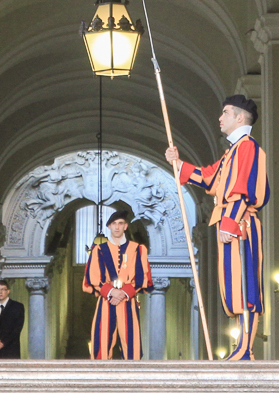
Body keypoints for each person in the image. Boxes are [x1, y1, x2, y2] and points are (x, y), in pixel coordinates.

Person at [164, 94, 269, 361]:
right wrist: (178, 163)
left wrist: (230, 223)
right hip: (232, 225)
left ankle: (246, 349)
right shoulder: (231, 152)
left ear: (240, 117)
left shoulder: (247, 148)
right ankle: (241, 347)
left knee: (246, 287)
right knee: (234, 287)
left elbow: (241, 190)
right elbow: (209, 177)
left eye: (225, 113)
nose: (220, 118)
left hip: (241, 225)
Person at [82, 209, 152, 360]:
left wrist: (124, 292)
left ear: (126, 226)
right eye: (114, 224)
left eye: (120, 223)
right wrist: (111, 292)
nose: (117, 227)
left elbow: (141, 276)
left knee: (131, 341)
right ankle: (100, 379)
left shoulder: (137, 250)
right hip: (107, 300)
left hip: (128, 300)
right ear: (109, 227)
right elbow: (93, 276)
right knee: (102, 340)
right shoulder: (99, 250)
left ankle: (132, 379)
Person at [0, 280, 24, 359]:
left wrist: (3, 343)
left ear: (8, 291)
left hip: (11, 351)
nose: (0, 292)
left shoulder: (17, 306)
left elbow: (17, 328)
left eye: (3, 289)